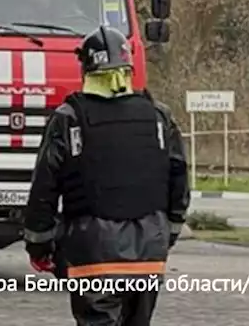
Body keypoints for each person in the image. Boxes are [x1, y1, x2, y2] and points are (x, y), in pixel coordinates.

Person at [22, 25, 188, 326]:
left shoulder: (68, 118)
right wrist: (169, 233)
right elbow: (179, 179)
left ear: (85, 68)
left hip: (93, 252)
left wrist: (39, 243)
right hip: (149, 251)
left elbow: (44, 187)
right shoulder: (159, 116)